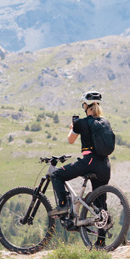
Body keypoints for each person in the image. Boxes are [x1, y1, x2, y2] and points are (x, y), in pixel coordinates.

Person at [51, 90, 111, 221]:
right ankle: (101, 240)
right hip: (105, 165)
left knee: (56, 175)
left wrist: (72, 128)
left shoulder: (81, 123)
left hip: (89, 162)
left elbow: (70, 140)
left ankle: (62, 206)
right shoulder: (105, 122)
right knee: (100, 205)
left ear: (86, 106)